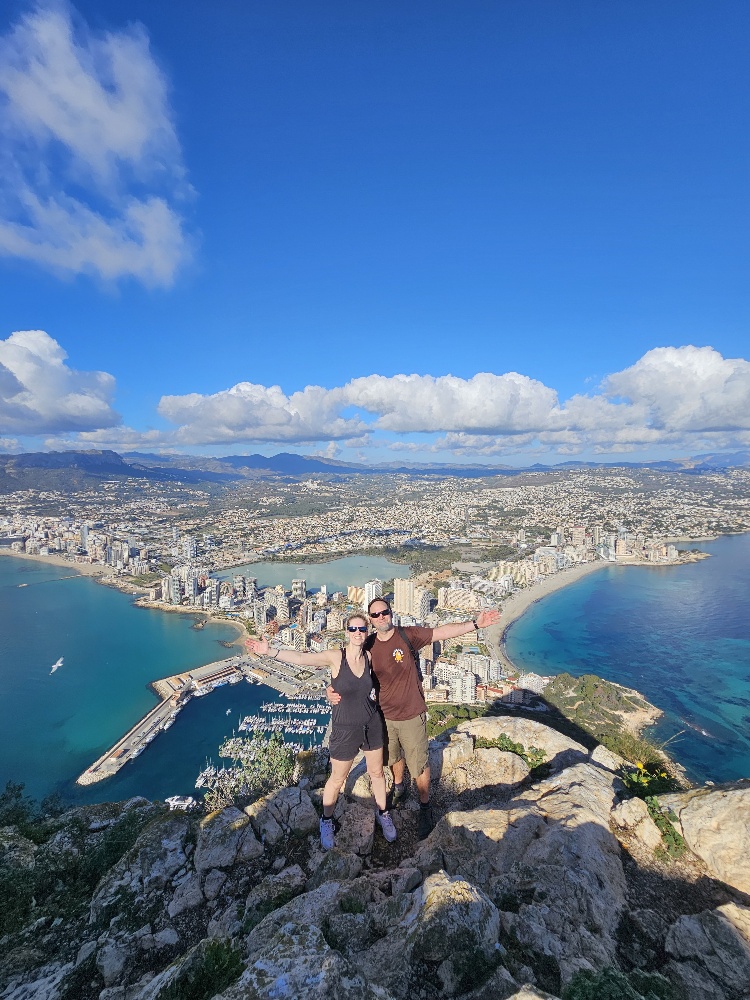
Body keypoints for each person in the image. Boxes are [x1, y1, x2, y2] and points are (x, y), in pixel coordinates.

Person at [328, 599, 500, 839]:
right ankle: (399, 788)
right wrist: (331, 688)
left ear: (391, 613)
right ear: (370, 620)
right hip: (383, 715)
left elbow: (441, 632)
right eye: (375, 615)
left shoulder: (407, 635)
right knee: (394, 757)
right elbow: (346, 667)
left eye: (384, 612)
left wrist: (475, 624)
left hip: (411, 713)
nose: (380, 617)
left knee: (418, 763)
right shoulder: (367, 644)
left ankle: (425, 806)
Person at [245, 613, 397, 851]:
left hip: (372, 723)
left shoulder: (368, 657)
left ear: (367, 633)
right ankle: (326, 821)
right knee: (337, 779)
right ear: (346, 631)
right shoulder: (336, 657)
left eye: (362, 629)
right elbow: (302, 658)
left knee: (377, 773)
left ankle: (383, 813)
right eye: (353, 628)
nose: (358, 632)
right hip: (345, 728)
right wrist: (269, 651)